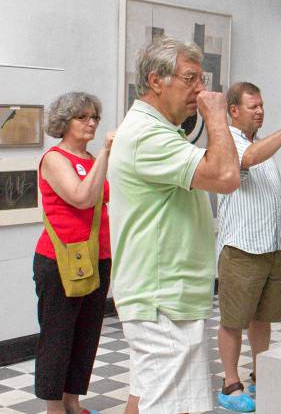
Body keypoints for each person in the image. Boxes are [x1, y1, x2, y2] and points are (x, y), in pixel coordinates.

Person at [108, 36, 240, 414]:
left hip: (167, 293)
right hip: (161, 297)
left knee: (148, 396)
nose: (200, 89)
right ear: (156, 81)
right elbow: (226, 176)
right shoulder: (147, 135)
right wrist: (216, 117)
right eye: (190, 79)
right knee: (168, 405)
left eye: (201, 79)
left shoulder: (159, 131)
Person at [215, 82, 281, 412]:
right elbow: (248, 159)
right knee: (234, 320)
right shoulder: (229, 141)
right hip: (242, 248)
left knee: (263, 318)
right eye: (252, 106)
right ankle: (230, 383)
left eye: (261, 105)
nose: (260, 111)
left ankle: (261, 373)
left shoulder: (256, 143)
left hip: (270, 247)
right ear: (234, 111)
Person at [33, 92, 114, 414]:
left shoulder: (91, 159)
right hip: (60, 260)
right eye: (82, 117)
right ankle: (54, 407)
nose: (91, 122)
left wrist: (102, 155)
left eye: (94, 116)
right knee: (58, 337)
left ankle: (72, 402)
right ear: (64, 122)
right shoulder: (55, 158)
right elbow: (81, 197)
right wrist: (107, 151)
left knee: (86, 336)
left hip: (96, 256)